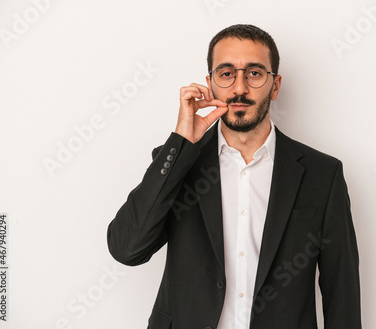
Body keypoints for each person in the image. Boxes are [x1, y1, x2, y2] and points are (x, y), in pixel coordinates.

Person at [107, 24, 361, 329]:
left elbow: (341, 292)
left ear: (275, 85)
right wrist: (181, 142)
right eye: (226, 73)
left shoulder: (323, 175)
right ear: (210, 84)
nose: (239, 88)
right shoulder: (179, 163)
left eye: (254, 73)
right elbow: (126, 249)